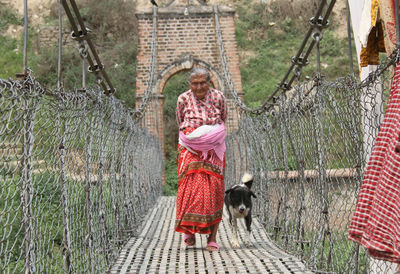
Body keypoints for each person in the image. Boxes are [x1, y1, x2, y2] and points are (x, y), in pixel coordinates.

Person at [175, 67, 227, 252]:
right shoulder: (183, 99)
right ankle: (188, 228)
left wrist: (209, 136)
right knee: (189, 187)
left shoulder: (219, 97)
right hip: (190, 146)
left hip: (213, 147)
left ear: (209, 82)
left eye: (202, 82)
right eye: (195, 83)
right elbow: (180, 120)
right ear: (190, 84)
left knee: (215, 188)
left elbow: (223, 117)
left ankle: (212, 238)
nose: (199, 87)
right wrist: (195, 138)